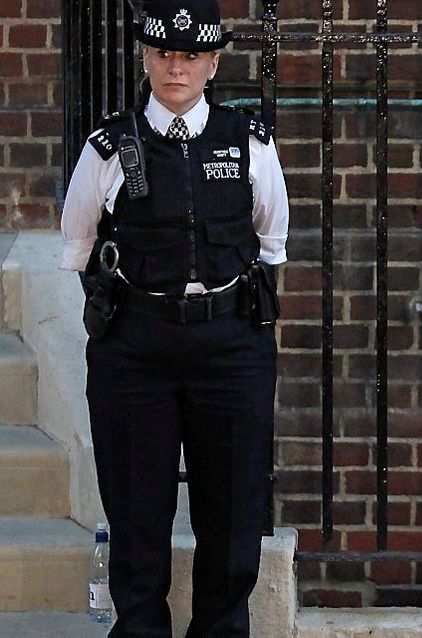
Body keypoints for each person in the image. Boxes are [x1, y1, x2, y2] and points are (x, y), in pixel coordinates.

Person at [60, 0, 288, 634]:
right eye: (164, 54)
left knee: (235, 508)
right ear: (145, 58)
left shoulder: (248, 142)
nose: (175, 68)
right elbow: (77, 243)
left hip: (230, 342)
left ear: (213, 63)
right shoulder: (110, 145)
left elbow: (272, 242)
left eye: (190, 56)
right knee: (137, 509)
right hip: (137, 346)